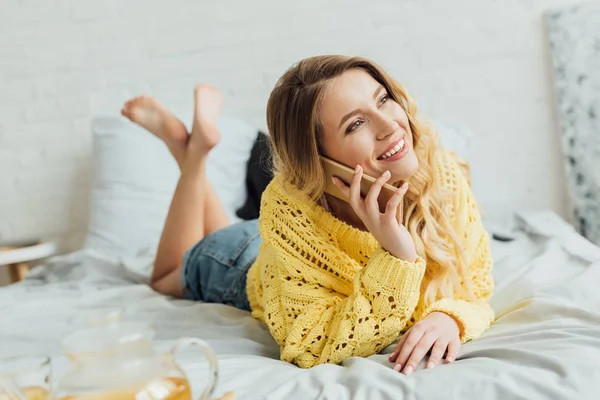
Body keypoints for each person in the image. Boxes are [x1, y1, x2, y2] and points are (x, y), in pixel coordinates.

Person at [121, 55, 494, 375]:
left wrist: (450, 317)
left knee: (225, 233)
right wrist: (398, 257)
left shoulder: (438, 170)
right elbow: (312, 348)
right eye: (355, 124)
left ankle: (192, 147)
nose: (388, 126)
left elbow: (476, 284)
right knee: (165, 277)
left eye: (383, 100)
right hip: (241, 263)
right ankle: (192, 151)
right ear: (319, 160)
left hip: (272, 249)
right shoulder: (286, 208)